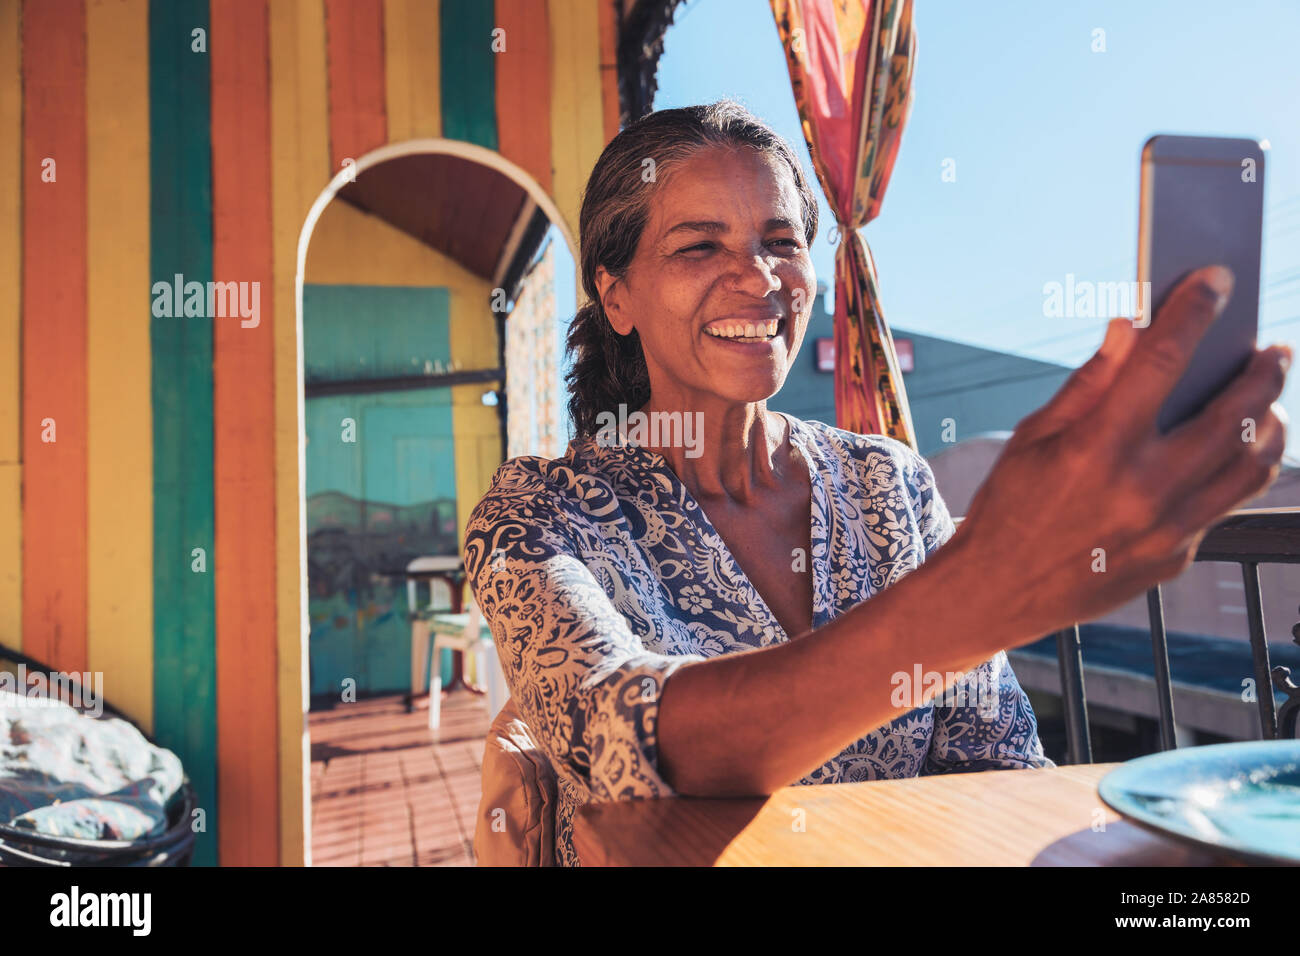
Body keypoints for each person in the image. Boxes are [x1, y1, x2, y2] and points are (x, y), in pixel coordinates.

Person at [462, 100, 1291, 866]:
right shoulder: (540, 510)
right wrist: (991, 584)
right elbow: (620, 743)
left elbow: (994, 760)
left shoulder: (883, 481)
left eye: (781, 242)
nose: (758, 278)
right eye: (699, 245)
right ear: (617, 296)